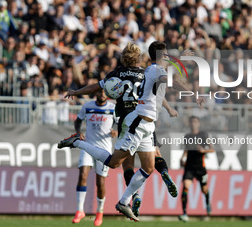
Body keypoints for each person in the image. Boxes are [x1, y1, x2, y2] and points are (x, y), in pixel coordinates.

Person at [58, 41, 202, 221]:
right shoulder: (148, 71)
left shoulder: (122, 72)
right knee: (114, 163)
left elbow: (96, 87)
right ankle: (77, 142)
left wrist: (76, 91)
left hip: (141, 122)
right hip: (137, 121)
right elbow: (170, 82)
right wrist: (189, 91)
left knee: (147, 167)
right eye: (165, 54)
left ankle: (125, 200)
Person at [71, 90, 118, 226]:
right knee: (82, 175)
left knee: (100, 182)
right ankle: (80, 210)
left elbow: (120, 124)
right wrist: (78, 132)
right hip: (88, 146)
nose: (102, 94)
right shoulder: (87, 106)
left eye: (105, 92)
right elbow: (78, 120)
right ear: (96, 93)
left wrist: (116, 131)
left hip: (104, 150)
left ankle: (99, 212)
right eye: (100, 92)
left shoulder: (112, 108)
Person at [179, 116, 214, 222]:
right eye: (191, 122)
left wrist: (204, 151)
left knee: (204, 189)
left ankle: (208, 204)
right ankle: (184, 213)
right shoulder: (187, 136)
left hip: (200, 168)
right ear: (189, 124)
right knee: (185, 186)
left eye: (195, 122)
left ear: (198, 124)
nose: (193, 124)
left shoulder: (204, 135)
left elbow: (212, 149)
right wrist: (182, 157)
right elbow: (187, 149)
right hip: (189, 167)